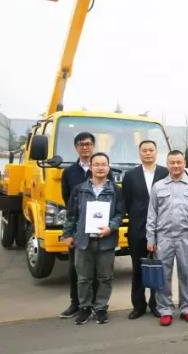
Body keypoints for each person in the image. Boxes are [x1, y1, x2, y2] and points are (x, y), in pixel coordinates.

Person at [61, 152, 123, 325]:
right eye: (96, 164)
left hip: (106, 242)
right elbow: (71, 215)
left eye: (103, 164)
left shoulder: (116, 191)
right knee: (83, 278)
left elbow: (119, 214)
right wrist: (67, 234)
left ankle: (101, 308)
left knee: (105, 277)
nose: (100, 168)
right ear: (91, 167)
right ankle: (85, 307)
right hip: (83, 240)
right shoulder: (79, 189)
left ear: (108, 167)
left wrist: (111, 227)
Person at [146, 150, 188, 326]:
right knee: (164, 275)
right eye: (172, 162)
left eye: (179, 162)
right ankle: (165, 309)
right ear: (167, 164)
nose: (176, 166)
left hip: (186, 236)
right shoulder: (158, 186)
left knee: (186, 273)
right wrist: (151, 238)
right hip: (163, 237)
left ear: (184, 163)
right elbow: (152, 214)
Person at [122, 140, 169, 319]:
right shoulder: (130, 176)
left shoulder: (165, 173)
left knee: (159, 267)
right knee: (138, 268)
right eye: (144, 150)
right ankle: (138, 305)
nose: (148, 153)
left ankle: (156, 304)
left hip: (162, 229)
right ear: (139, 153)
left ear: (156, 152)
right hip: (137, 229)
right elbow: (127, 201)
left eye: (151, 150)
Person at [59, 132, 97, 319]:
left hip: (97, 227)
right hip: (77, 228)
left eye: (88, 144)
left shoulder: (101, 168)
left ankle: (96, 304)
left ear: (93, 146)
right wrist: (70, 231)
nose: (85, 147)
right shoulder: (69, 172)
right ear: (76, 148)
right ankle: (76, 303)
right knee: (76, 267)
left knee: (97, 268)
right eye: (81, 144)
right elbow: (67, 199)